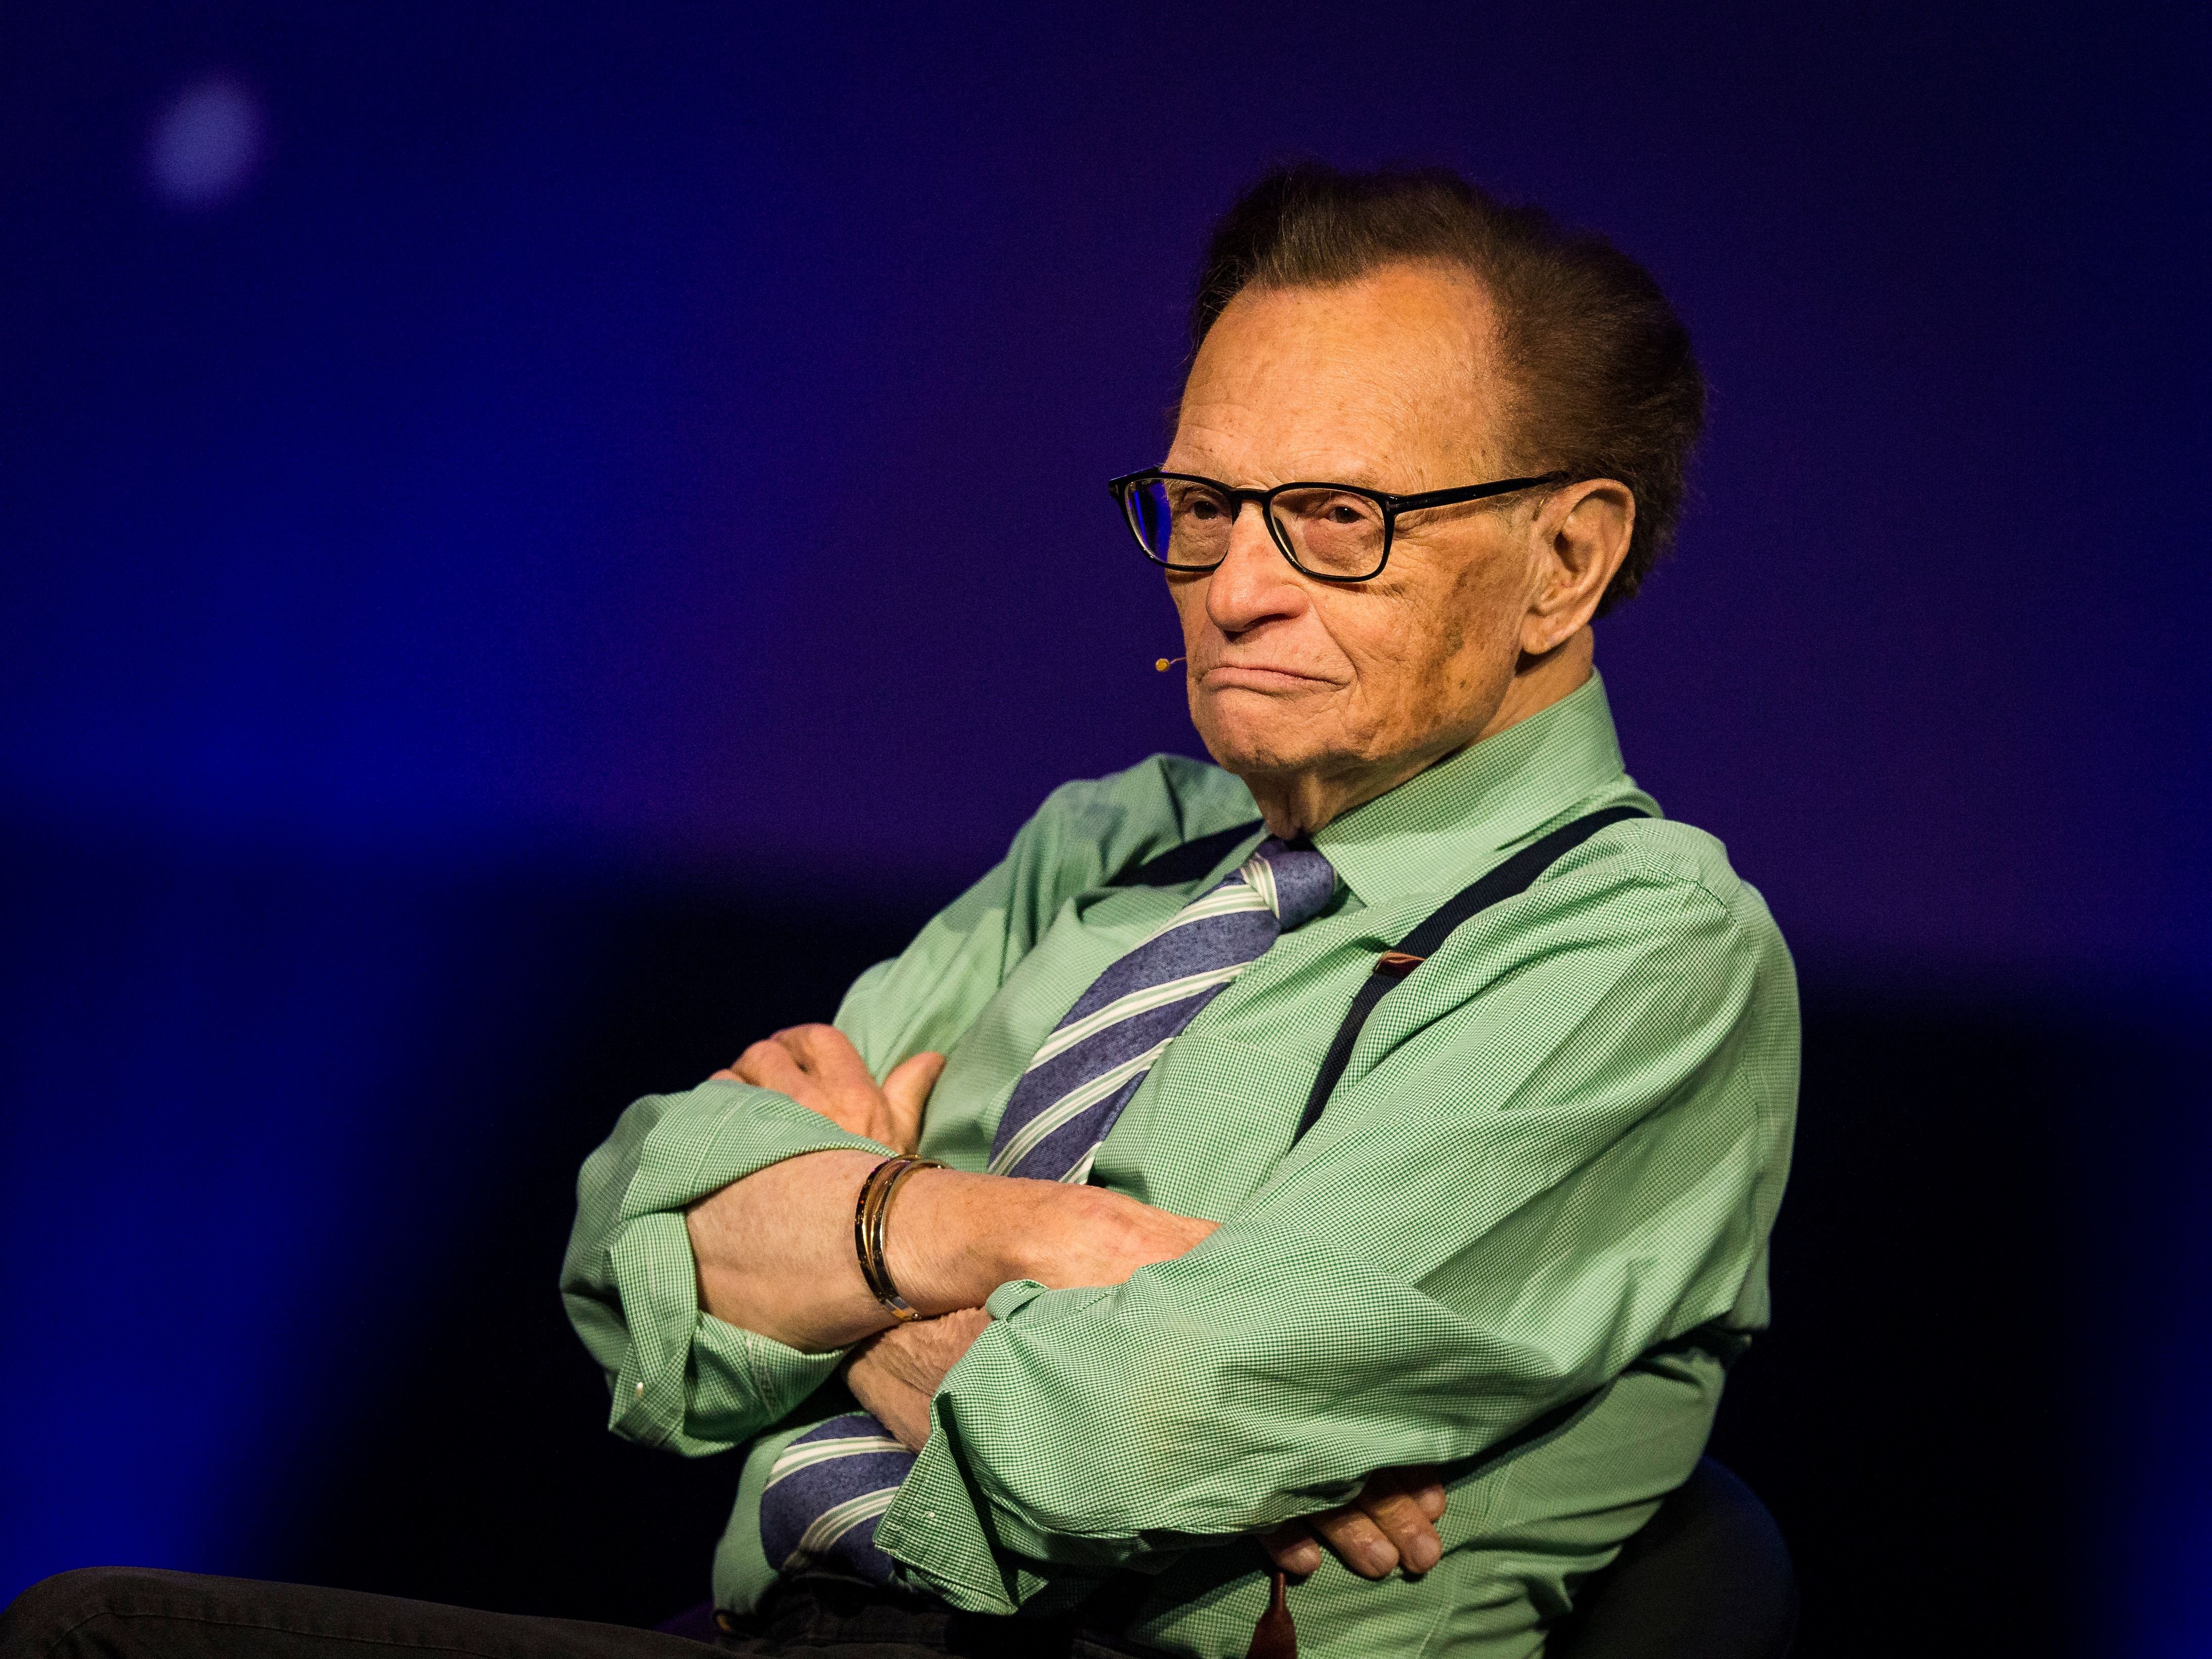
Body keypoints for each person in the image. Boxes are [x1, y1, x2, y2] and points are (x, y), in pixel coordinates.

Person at [2, 164, 1795, 1659]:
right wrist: (1002, 1236)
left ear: (1565, 560)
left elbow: (1112, 1441)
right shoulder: (1104, 846)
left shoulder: (1639, 948)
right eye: (1200, 506)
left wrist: (852, 1252)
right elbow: (638, 1263)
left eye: (1333, 518)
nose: (1235, 586)